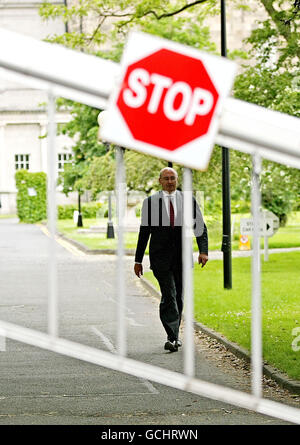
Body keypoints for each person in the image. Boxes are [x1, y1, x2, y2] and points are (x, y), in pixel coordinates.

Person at [134, 167, 208, 353]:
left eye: (172, 178)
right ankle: (173, 337)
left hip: (182, 257)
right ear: (160, 181)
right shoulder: (150, 203)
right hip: (160, 258)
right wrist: (138, 259)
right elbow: (144, 232)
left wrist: (203, 251)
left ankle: (173, 335)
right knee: (169, 294)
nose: (169, 181)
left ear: (177, 180)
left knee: (178, 296)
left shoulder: (188, 200)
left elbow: (200, 227)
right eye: (166, 178)